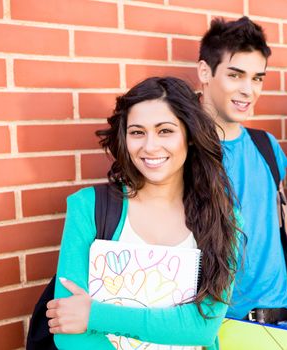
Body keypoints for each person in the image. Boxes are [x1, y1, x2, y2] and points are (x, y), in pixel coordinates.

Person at [45, 77, 240, 350]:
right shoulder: (88, 208)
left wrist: (93, 314)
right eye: (137, 132)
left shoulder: (221, 219)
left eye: (165, 131)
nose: (149, 146)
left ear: (191, 136)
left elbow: (201, 327)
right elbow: (66, 330)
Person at [196, 16, 287, 349]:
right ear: (205, 73)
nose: (248, 90)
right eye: (235, 75)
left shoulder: (266, 146)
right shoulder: (184, 152)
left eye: (257, 78)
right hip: (216, 331)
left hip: (282, 326)